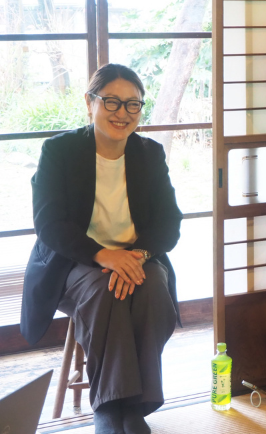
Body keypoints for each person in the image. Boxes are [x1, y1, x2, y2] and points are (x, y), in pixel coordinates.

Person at [20, 64, 183, 434]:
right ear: (89, 102)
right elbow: (49, 223)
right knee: (104, 289)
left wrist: (136, 257)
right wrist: (103, 255)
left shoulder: (149, 154)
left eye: (133, 104)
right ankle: (110, 409)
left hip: (136, 256)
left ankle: (134, 408)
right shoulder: (60, 151)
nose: (122, 113)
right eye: (111, 101)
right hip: (74, 261)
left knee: (152, 288)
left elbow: (169, 222)